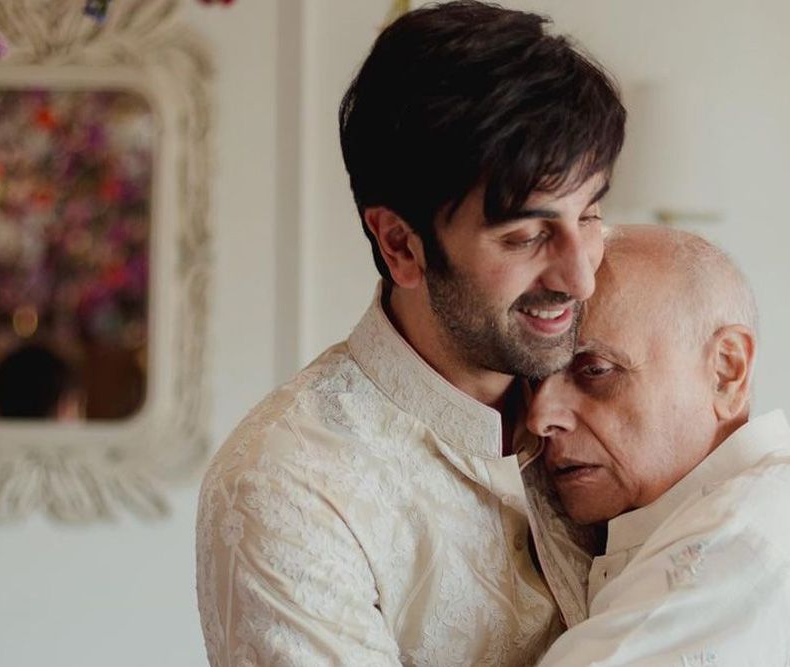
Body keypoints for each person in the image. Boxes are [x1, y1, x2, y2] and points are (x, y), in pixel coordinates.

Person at [195, 2, 625, 665]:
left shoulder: (621, 385)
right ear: (401, 244)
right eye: (525, 234)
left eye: (590, 214)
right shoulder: (287, 485)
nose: (580, 277)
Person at [528, 226, 790, 666]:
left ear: (726, 370)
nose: (540, 417)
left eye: (595, 370)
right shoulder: (770, 509)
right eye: (536, 376)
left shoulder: (738, 546)